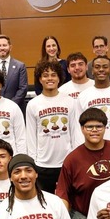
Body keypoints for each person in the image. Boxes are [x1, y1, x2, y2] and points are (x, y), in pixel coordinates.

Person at [55, 108, 110, 219]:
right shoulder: (72, 159)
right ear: (82, 129)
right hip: (83, 216)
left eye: (99, 126)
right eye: (89, 127)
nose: (94, 130)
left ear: (105, 128)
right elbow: (63, 195)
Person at [26, 60, 74, 193]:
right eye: (45, 75)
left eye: (53, 75)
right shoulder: (33, 104)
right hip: (42, 164)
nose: (50, 78)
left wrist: (74, 158)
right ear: (40, 79)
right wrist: (33, 162)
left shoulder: (70, 101)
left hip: (66, 162)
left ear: (59, 78)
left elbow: (75, 133)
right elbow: (31, 136)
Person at [0, 34, 29, 110]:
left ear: (10, 47)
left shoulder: (20, 66)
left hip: (16, 108)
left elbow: (23, 89)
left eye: (4, 45)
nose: (2, 48)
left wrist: (11, 105)